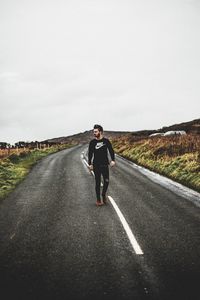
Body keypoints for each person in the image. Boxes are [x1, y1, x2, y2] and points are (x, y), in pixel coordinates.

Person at [88, 124, 116, 206]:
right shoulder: (92, 142)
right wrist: (90, 164)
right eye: (93, 132)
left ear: (100, 132)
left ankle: (103, 194)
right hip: (96, 165)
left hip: (104, 164)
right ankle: (98, 200)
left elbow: (111, 150)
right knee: (97, 182)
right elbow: (90, 154)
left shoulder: (106, 141)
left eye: (96, 132)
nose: (94, 133)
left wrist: (113, 160)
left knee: (106, 181)